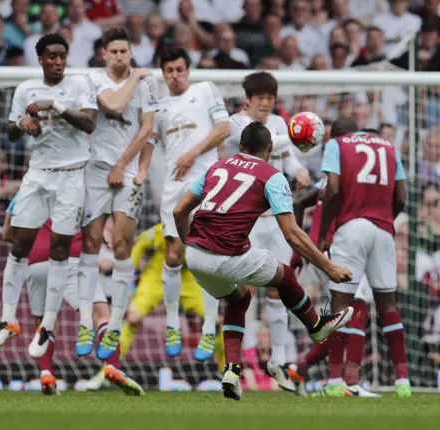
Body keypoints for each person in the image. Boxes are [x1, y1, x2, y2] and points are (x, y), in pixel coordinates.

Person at [173, 121, 354, 401]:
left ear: (241, 146)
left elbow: (179, 209)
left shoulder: (216, 167)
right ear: (270, 148)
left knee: (238, 298)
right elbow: (293, 234)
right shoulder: (271, 175)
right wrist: (328, 267)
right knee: (284, 275)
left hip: (195, 255)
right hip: (227, 255)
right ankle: (317, 326)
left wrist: (190, 244)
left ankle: (232, 370)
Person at [0, 33, 98, 359]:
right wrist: (21, 121)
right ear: (41, 59)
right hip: (37, 175)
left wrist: (56, 106)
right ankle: (7, 319)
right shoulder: (25, 89)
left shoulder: (79, 84)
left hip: (72, 176)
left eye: (62, 55)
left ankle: (47, 325)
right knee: (19, 243)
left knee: (60, 251)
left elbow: (89, 122)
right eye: (52, 56)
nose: (58, 61)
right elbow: (9, 130)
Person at [0, 201, 144, 396]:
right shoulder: (77, 186)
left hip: (36, 262)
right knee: (101, 315)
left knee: (45, 323)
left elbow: (7, 233)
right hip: (70, 258)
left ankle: (46, 373)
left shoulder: (25, 192)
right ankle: (113, 366)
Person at [224, 71, 310, 391]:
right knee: (241, 293)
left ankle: (280, 361)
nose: (264, 104)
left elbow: (289, 158)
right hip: (244, 220)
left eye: (270, 99)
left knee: (280, 288)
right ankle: (238, 365)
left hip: (273, 221)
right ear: (247, 99)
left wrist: (299, 170)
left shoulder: (278, 126)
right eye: (259, 98)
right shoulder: (233, 126)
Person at [317, 117, 411, 398]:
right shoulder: (389, 146)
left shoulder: (337, 145)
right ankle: (403, 382)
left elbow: (332, 189)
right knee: (388, 304)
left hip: (351, 228)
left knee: (340, 304)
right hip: (383, 230)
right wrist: (385, 221)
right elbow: (402, 196)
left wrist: (323, 233)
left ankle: (335, 382)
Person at [81, 27, 158, 360]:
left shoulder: (149, 85)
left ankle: (114, 325)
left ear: (130, 52)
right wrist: (135, 78)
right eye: (114, 52)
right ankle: (87, 321)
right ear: (104, 54)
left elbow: (147, 128)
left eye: (124, 52)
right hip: (96, 170)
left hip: (124, 174)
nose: (120, 57)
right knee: (90, 244)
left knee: (123, 245)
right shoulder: (92, 80)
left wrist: (131, 166)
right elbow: (114, 104)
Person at [150, 46, 231, 359]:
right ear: (163, 73)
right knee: (173, 256)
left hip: (207, 182)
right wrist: (142, 168)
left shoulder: (205, 90)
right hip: (174, 187)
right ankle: (173, 323)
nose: (175, 76)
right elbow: (148, 139)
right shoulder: (159, 107)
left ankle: (210, 328)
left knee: (208, 257)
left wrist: (193, 153)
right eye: (169, 70)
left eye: (179, 69)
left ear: (188, 69)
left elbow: (223, 128)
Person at [289, 176, 379, 398]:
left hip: (319, 249)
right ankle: (347, 383)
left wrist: (297, 251)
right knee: (357, 308)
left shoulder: (331, 177)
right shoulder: (354, 179)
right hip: (335, 249)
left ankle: (301, 368)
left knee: (343, 318)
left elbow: (299, 204)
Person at [119, 223, 225, 368]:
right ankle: (109, 368)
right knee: (132, 319)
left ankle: (224, 369)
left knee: (215, 322)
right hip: (156, 277)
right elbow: (139, 246)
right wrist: (128, 284)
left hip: (187, 279)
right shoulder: (159, 230)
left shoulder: (203, 232)